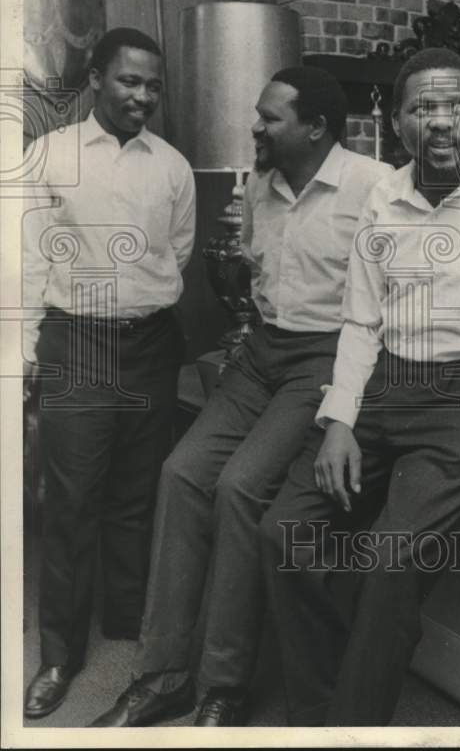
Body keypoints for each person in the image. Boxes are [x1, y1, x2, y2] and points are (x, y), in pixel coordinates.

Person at [260, 47, 460, 726]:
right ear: (395, 122)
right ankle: (321, 706)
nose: (441, 122)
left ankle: (352, 729)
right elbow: (360, 317)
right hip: (383, 385)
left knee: (390, 559)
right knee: (283, 531)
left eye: (456, 106)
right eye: (422, 108)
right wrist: (341, 421)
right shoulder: (384, 193)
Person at [91, 66, 393, 727]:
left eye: (270, 117)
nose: (255, 127)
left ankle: (223, 685)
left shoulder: (374, 188)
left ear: (314, 128)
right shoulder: (260, 184)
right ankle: (163, 672)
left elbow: (385, 304)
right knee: (181, 473)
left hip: (324, 353)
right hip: (262, 354)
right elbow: (258, 273)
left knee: (240, 487)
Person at [22, 28, 196, 719]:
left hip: (152, 344)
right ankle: (59, 655)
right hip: (78, 341)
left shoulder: (173, 167)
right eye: (129, 81)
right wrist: (27, 357)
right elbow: (28, 259)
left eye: (153, 85)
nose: (143, 96)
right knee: (71, 501)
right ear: (96, 78)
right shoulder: (50, 156)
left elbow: (175, 255)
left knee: (135, 494)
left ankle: (125, 623)